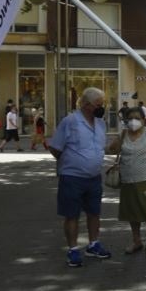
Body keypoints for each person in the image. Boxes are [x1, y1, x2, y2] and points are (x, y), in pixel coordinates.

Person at [48, 88, 113, 267]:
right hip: (72, 178)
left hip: (94, 178)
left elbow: (100, 147)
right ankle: (73, 250)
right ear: (85, 104)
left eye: (102, 104)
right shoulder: (70, 122)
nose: (102, 108)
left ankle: (93, 244)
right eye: (98, 104)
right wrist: (70, 163)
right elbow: (55, 147)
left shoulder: (101, 124)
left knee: (94, 213)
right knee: (72, 215)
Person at [111, 107, 146, 257]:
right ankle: (136, 241)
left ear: (144, 119)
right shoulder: (123, 134)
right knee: (132, 214)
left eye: (137, 118)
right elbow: (111, 149)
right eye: (131, 118)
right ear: (126, 121)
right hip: (128, 181)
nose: (134, 121)